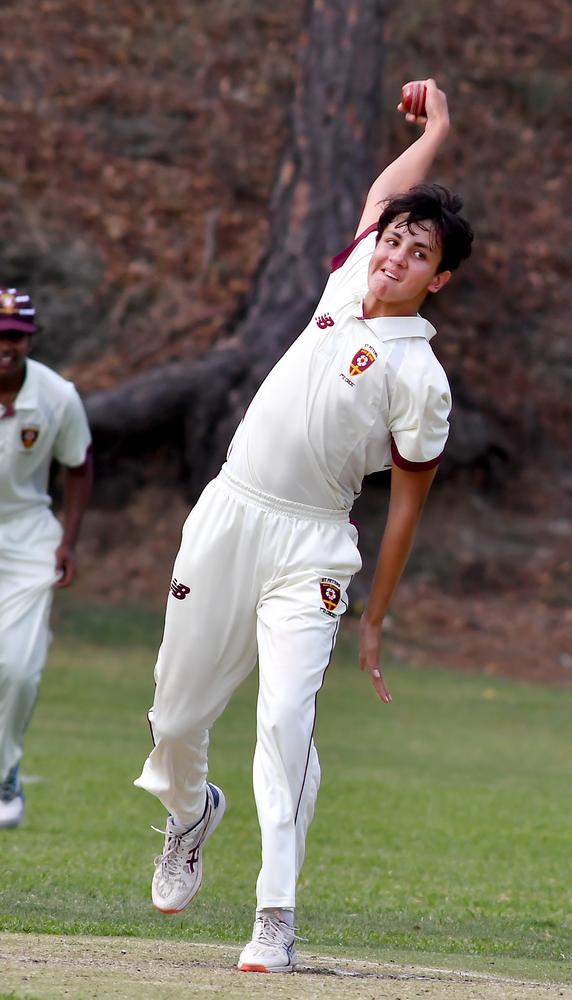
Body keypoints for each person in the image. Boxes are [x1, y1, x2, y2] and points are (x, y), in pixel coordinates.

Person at [135, 77, 473, 972]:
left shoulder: (420, 380)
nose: (395, 254)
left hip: (313, 543)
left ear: (439, 279)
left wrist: (377, 616)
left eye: (416, 251)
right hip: (228, 514)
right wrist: (437, 130)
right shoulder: (352, 274)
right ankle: (188, 814)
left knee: (286, 720)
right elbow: (379, 196)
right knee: (174, 716)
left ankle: (274, 915)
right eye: (392, 241)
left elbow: (405, 509)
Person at [0, 288, 92, 829]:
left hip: (29, 535)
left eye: (15, 337)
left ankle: (6, 771)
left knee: (18, 668)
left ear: (28, 338)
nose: (6, 347)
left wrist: (68, 541)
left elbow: (78, 467)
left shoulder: (57, 396)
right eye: (0, 337)